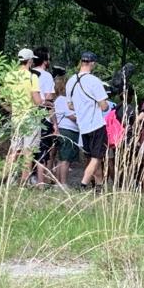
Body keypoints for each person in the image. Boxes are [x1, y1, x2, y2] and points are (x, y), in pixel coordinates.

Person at [65, 51, 109, 192]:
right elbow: (104, 106)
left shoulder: (70, 81)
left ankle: (99, 186)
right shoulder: (94, 81)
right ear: (92, 63)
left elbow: (70, 105)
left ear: (81, 62)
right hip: (96, 124)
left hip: (82, 126)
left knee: (91, 158)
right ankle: (83, 185)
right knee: (96, 158)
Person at [3, 48, 43, 184]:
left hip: (16, 118)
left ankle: (5, 178)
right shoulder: (33, 77)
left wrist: (12, 109)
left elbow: (3, 99)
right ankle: (24, 181)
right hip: (30, 118)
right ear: (30, 61)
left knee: (14, 150)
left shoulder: (9, 76)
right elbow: (37, 100)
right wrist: (43, 103)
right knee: (28, 151)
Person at [31, 47, 59, 185]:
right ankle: (41, 183)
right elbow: (49, 101)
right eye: (48, 58)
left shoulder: (29, 74)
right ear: (45, 60)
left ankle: (29, 178)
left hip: (28, 115)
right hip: (43, 117)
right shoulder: (47, 76)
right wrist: (55, 123)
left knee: (28, 149)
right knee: (43, 151)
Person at [53, 77, 79, 186]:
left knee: (61, 157)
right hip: (68, 130)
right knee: (66, 159)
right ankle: (63, 183)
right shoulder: (64, 100)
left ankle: (58, 182)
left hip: (62, 129)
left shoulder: (57, 100)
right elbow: (71, 116)